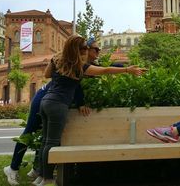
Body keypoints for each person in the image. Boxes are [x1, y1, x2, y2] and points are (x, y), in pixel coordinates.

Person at [36, 35, 146, 186]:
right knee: (52, 142)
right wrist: (127, 69)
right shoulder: (79, 66)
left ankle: (41, 176)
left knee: (45, 141)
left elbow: (47, 74)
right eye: (85, 48)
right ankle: (47, 178)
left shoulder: (58, 60)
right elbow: (105, 70)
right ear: (78, 49)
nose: (88, 50)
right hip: (58, 105)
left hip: (45, 102)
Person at [3, 37, 103, 186]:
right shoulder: (73, 61)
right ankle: (13, 168)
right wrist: (81, 102)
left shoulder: (80, 63)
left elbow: (76, 82)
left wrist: (81, 102)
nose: (97, 52)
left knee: (46, 136)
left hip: (50, 99)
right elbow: (74, 83)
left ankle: (38, 170)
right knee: (30, 132)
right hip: (44, 98)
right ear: (84, 49)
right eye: (95, 49)